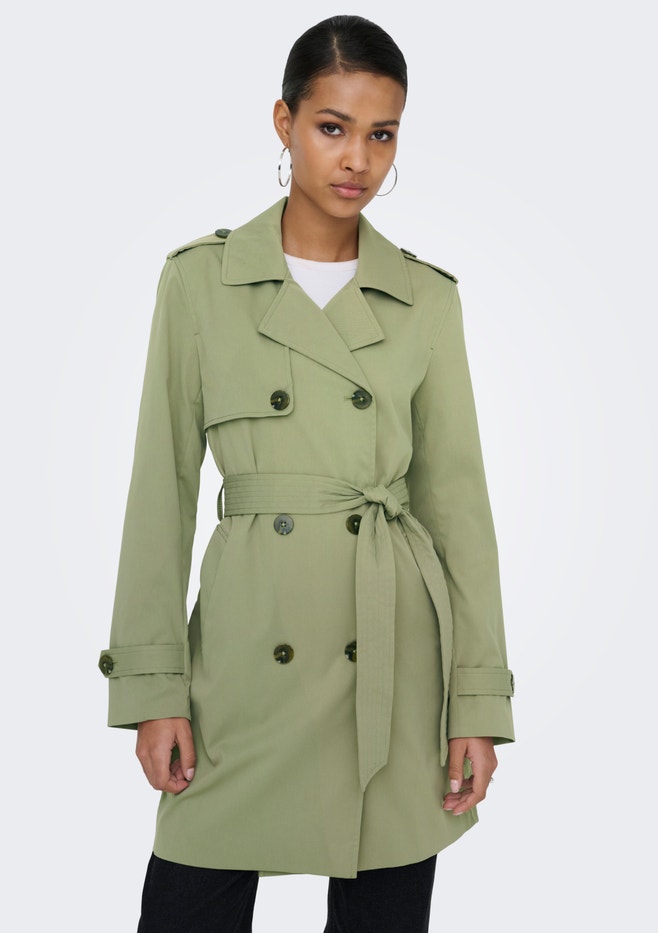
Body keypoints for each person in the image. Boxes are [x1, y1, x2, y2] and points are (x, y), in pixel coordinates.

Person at [98, 14, 515, 933]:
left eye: (382, 134)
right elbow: (159, 492)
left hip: (393, 661)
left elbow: (458, 508)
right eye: (332, 126)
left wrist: (476, 703)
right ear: (284, 122)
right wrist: (155, 689)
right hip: (244, 657)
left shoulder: (425, 298)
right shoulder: (200, 283)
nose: (357, 158)